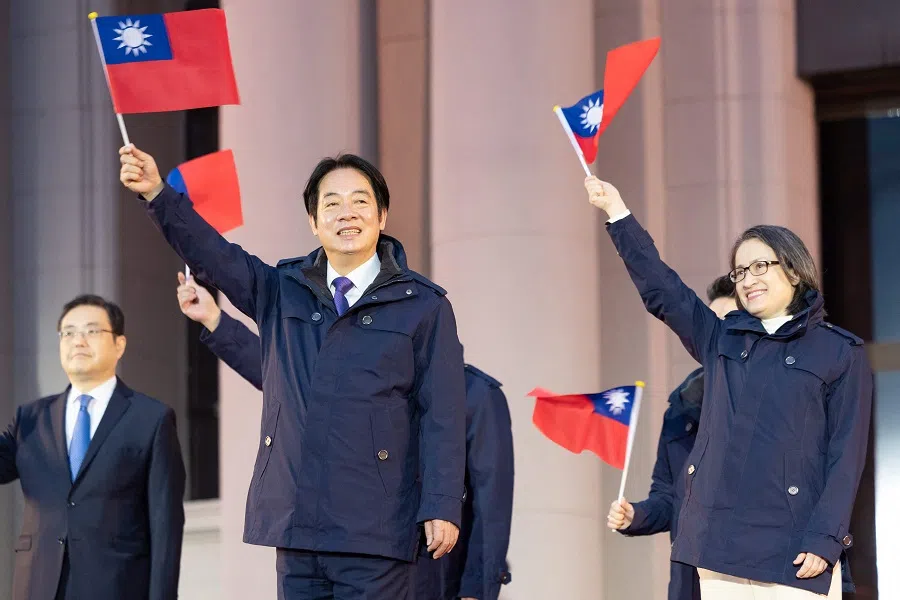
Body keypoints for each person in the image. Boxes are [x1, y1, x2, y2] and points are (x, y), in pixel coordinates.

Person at [120, 146, 466, 600]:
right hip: (298, 526)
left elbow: (443, 412)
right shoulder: (283, 289)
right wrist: (158, 194)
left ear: (382, 216)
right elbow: (215, 256)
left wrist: (442, 503)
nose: (347, 213)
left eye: (360, 201)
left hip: (377, 527)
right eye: (332, 203)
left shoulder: (422, 305)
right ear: (313, 222)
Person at [586, 176, 871, 599]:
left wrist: (825, 537)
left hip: (798, 548)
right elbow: (663, 289)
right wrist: (618, 214)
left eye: (760, 266)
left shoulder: (840, 351)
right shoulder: (721, 340)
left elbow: (845, 456)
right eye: (740, 271)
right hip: (718, 543)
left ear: (794, 270)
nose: (748, 279)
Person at [175, 273, 514, 600]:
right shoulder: (366, 378)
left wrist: (476, 590)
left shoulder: (478, 395)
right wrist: (215, 320)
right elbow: (285, 378)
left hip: (435, 573)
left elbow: (491, 505)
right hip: (365, 558)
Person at [0, 295, 185, 600]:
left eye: (91, 331)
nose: (78, 341)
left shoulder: (151, 419)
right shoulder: (31, 419)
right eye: (68, 333)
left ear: (119, 345)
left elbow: (166, 525)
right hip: (38, 586)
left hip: (116, 586)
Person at [607, 275, 737, 600]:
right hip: (690, 581)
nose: (716, 332)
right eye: (711, 321)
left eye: (729, 322)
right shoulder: (682, 407)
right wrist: (635, 515)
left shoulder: (773, 400)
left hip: (748, 574)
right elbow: (668, 497)